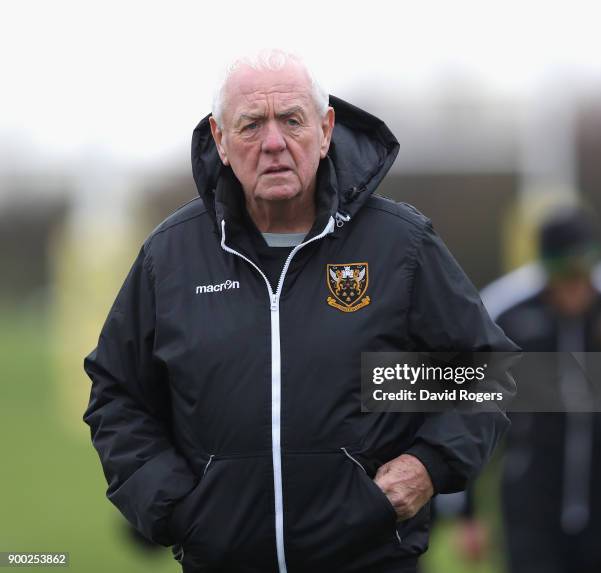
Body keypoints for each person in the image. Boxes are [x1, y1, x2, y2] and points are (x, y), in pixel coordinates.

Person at [82, 49, 517, 573]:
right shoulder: (170, 258)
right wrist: (174, 504)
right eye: (251, 125)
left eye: (292, 120)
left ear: (326, 128)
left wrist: (428, 465)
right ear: (219, 140)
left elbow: (487, 373)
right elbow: (116, 394)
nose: (273, 143)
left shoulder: (398, 246)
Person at [455, 206, 601, 573]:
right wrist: (468, 513)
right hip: (532, 510)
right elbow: (471, 413)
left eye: (582, 274)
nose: (574, 288)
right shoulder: (507, 316)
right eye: (564, 275)